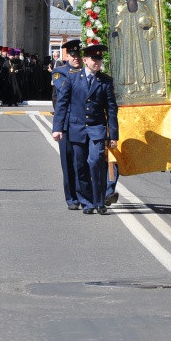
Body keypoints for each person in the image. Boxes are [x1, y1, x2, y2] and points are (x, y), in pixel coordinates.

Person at [51, 44, 119, 214]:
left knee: (95, 162)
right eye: (94, 59)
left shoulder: (105, 81)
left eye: (100, 59)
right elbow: (62, 104)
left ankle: (99, 201)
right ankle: (87, 202)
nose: (98, 62)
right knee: (79, 166)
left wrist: (113, 134)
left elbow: (111, 108)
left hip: (97, 129)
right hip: (76, 129)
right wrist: (57, 128)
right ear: (86, 60)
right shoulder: (72, 78)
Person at [51, 40, 83, 210]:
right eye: (73, 55)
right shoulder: (59, 72)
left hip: (84, 123)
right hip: (66, 123)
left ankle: (85, 194)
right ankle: (71, 197)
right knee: (68, 161)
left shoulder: (87, 71)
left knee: (84, 161)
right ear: (67, 56)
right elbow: (64, 91)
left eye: (79, 55)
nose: (76, 58)